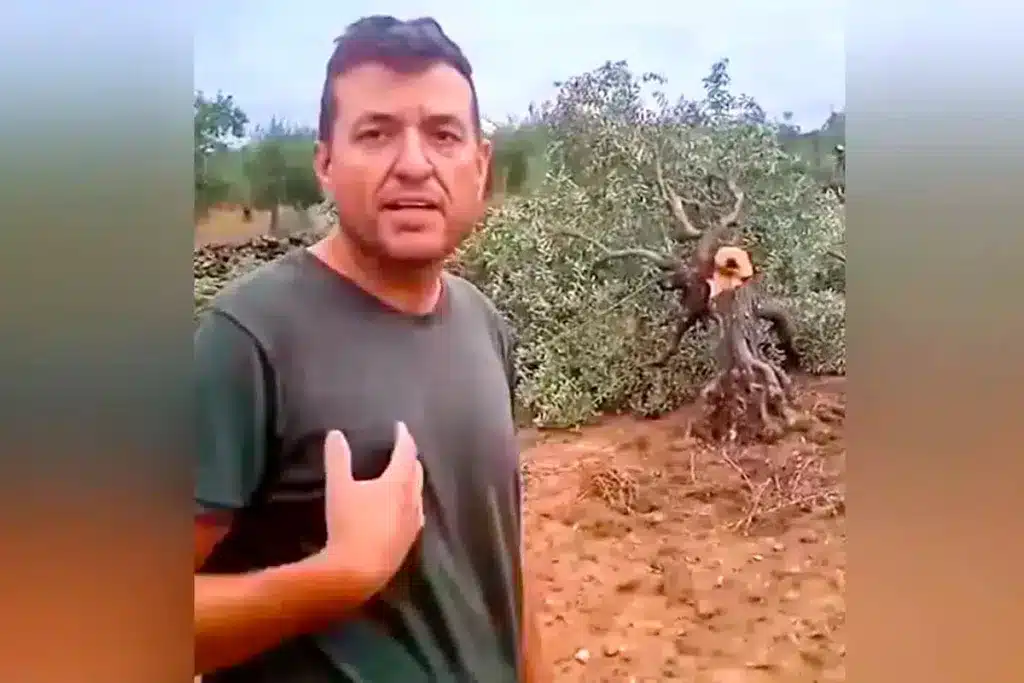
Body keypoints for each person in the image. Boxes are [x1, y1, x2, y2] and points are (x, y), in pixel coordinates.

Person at [193, 15, 547, 683]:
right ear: (325, 162)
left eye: (443, 134)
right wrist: (333, 578)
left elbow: (503, 564)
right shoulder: (247, 338)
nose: (413, 164)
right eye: (376, 133)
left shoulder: (483, 325)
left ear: (480, 163)